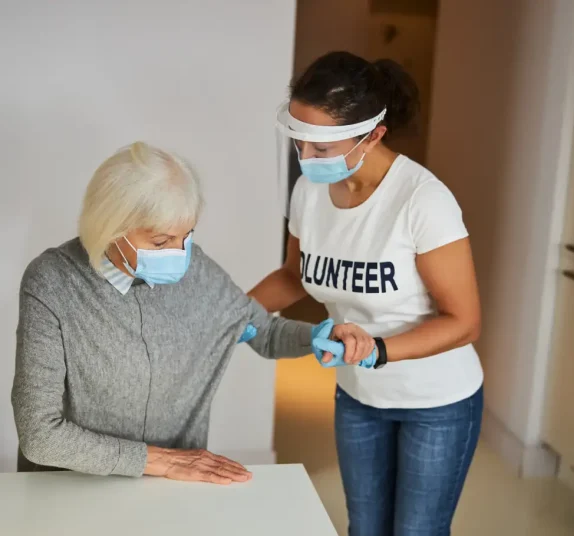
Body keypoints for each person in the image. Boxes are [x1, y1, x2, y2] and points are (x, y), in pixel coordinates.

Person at [11, 141, 374, 483]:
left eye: (186, 235)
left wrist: (317, 336)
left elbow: (260, 330)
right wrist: (160, 460)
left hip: (166, 487)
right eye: (161, 241)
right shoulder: (53, 282)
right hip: (67, 488)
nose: (180, 252)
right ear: (110, 228)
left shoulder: (196, 269)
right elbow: (40, 434)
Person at [249, 52, 484, 536]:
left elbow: (464, 322)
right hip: (358, 397)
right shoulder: (311, 193)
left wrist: (376, 349)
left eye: (322, 145)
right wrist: (228, 312)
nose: (306, 157)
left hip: (435, 402)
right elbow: (295, 277)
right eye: (300, 141)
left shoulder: (423, 202)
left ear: (373, 135)